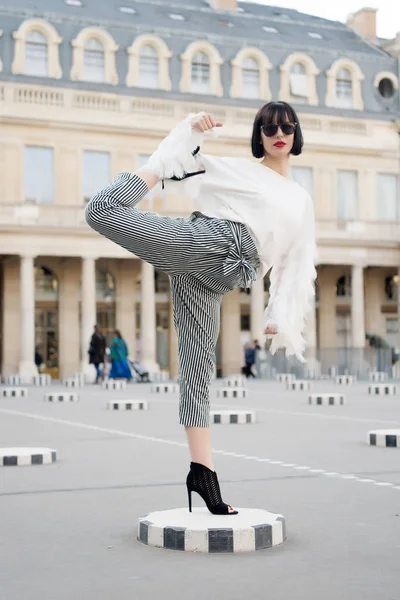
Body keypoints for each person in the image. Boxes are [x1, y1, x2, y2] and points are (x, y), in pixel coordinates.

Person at [85, 102, 317, 516]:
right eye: (268, 128)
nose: (278, 133)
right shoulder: (236, 169)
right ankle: (138, 181)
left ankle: (202, 473)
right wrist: (191, 128)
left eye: (286, 127)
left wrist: (276, 315)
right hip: (210, 241)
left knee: (197, 372)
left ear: (297, 134)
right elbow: (182, 158)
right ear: (258, 135)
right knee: (102, 210)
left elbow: (294, 264)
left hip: (216, 278)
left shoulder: (301, 201)